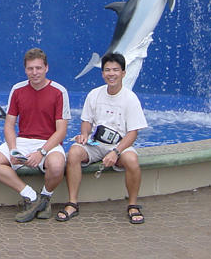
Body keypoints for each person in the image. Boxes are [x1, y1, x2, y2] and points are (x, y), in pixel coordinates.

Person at [56, 52, 148, 224]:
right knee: (74, 152)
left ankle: (133, 205)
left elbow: (133, 133)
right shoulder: (94, 94)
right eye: (107, 70)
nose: (111, 74)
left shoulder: (131, 99)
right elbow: (86, 121)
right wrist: (84, 135)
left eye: (115, 70)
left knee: (132, 160)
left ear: (123, 73)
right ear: (102, 73)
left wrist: (116, 152)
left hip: (120, 145)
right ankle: (72, 203)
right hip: (96, 144)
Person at [0, 48, 70, 223]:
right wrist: (13, 150)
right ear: (25, 70)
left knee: (57, 165)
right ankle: (32, 197)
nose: (34, 72)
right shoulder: (17, 89)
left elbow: (61, 131)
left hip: (49, 143)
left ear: (46, 68)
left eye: (38, 68)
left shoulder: (59, 91)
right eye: (30, 68)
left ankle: (45, 196)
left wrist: (41, 152)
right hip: (23, 141)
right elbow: (9, 125)